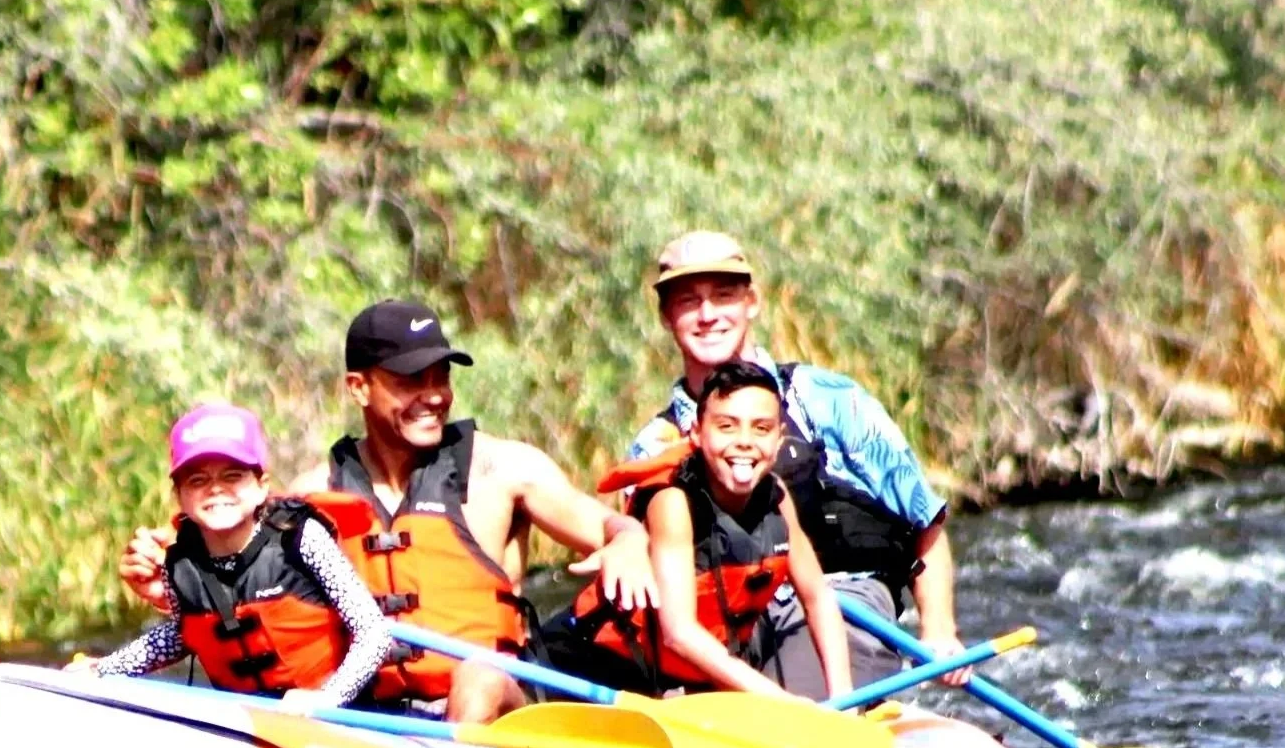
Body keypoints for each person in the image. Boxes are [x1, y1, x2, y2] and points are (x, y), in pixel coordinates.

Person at [118, 301, 657, 723]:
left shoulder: (502, 469)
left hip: (496, 711)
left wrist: (628, 537)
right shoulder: (311, 494)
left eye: (440, 377)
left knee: (478, 678)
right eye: (408, 381)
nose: (432, 396)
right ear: (359, 387)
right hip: (369, 715)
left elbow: (609, 526)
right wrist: (171, 594)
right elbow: (246, 592)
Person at [630, 231, 963, 694]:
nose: (707, 316)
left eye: (723, 296)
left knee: (784, 708)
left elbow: (925, 520)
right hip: (724, 622)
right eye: (689, 302)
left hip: (842, 603)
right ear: (667, 317)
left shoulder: (828, 399)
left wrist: (939, 630)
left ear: (752, 302)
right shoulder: (654, 444)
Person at [540, 361, 852, 699]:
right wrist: (782, 703)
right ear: (697, 434)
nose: (744, 441)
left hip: (671, 681)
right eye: (727, 426)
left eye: (761, 428)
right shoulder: (672, 502)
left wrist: (845, 702)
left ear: (779, 440)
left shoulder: (776, 497)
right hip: (581, 669)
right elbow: (679, 633)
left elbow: (817, 597)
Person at [70, 404, 391, 711]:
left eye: (233, 476)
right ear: (179, 495)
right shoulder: (180, 563)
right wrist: (106, 668)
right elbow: (181, 635)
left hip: (338, 718)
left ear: (261, 487)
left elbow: (373, 632)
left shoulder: (303, 539)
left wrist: (327, 699)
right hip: (245, 722)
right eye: (198, 480)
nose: (216, 490)